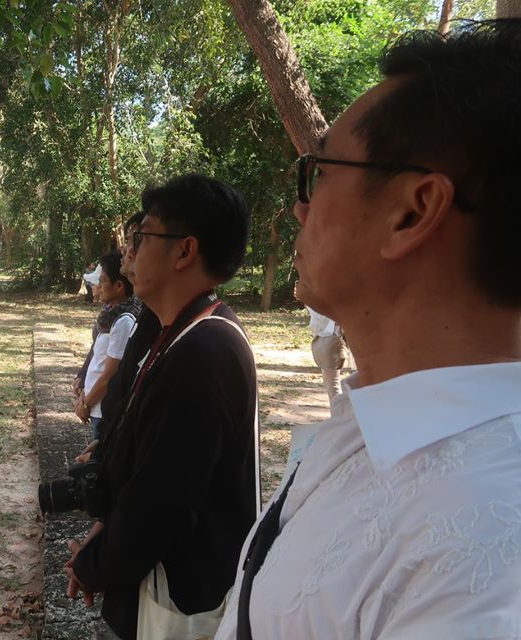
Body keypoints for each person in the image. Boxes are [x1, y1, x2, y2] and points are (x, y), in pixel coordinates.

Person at [214, 21, 521, 640]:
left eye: (320, 172)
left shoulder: (486, 546)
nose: (300, 205)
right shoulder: (372, 424)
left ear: (412, 212)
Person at [67, 174, 259, 640]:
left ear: (184, 251)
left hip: (184, 596)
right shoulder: (177, 331)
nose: (130, 251)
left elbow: (160, 503)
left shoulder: (205, 351)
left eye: (141, 236)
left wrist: (93, 565)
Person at [73, 252, 137, 442]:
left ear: (119, 286)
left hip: (104, 408)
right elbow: (98, 359)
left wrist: (86, 403)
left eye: (102, 281)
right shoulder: (110, 317)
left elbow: (110, 375)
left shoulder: (123, 321)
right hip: (96, 407)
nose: (98, 286)